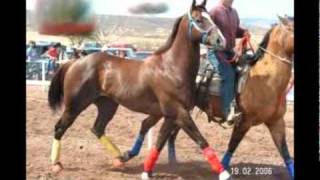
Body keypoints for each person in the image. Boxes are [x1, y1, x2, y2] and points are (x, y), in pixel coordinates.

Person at [207, 0, 251, 122]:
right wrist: (218, 43)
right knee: (229, 75)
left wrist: (243, 32)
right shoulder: (214, 11)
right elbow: (207, 31)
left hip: (229, 51)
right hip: (215, 52)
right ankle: (227, 111)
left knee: (246, 68)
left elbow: (235, 31)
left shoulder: (234, 12)